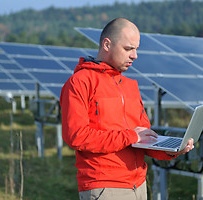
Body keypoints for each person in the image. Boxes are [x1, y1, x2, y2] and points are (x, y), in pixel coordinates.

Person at [60, 18, 194, 200]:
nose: (135, 55)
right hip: (105, 187)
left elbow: (144, 139)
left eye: (136, 49)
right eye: (128, 48)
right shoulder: (80, 82)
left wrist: (173, 150)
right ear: (107, 44)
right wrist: (131, 136)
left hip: (138, 185)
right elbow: (77, 136)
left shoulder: (130, 85)